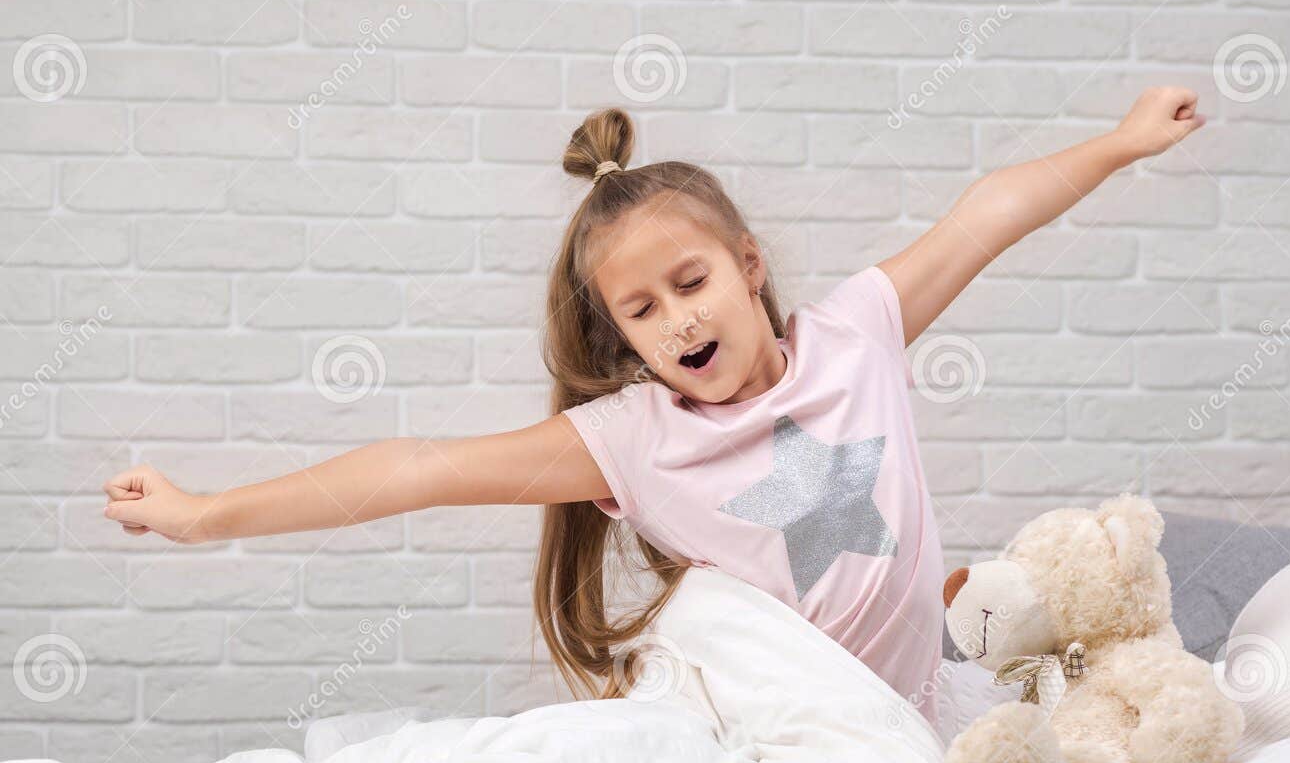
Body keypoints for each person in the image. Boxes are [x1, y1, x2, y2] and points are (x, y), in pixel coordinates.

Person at [102, 89, 1206, 725]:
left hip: (903, 713)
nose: (677, 322)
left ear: (747, 266)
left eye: (691, 284)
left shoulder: (854, 335)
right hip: (774, 725)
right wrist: (206, 513)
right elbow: (419, 468)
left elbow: (983, 218)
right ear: (619, 338)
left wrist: (1120, 143)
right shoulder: (633, 439)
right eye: (640, 311)